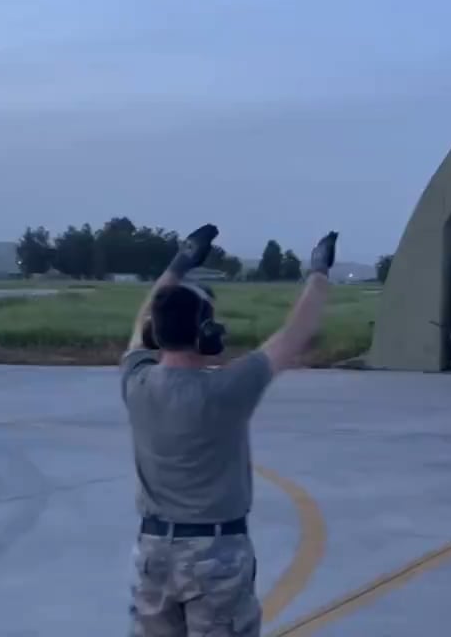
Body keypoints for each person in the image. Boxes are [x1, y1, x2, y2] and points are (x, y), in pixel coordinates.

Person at [121, 224, 338, 636]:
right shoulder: (227, 390)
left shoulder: (136, 382)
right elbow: (295, 333)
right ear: (207, 335)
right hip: (214, 554)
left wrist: (180, 261)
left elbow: (142, 323)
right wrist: (318, 271)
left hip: (152, 552)